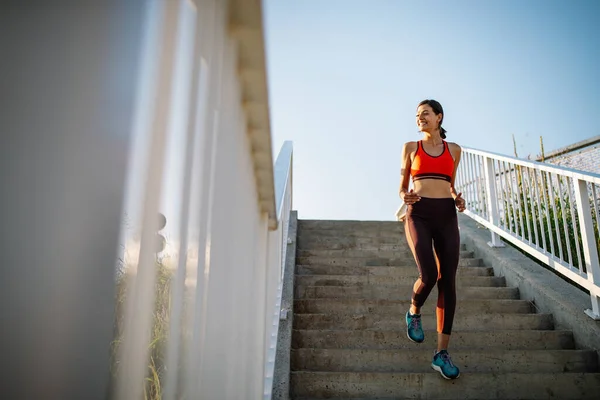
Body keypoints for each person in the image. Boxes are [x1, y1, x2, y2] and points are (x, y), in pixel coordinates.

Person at [398, 99, 466, 380]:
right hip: (419, 214)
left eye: (425, 113)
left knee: (447, 281)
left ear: (439, 117)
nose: (420, 118)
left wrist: (456, 198)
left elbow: (449, 185)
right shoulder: (411, 148)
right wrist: (404, 196)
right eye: (417, 115)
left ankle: (441, 354)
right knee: (429, 274)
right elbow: (402, 187)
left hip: (447, 216)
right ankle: (414, 311)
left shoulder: (455, 150)